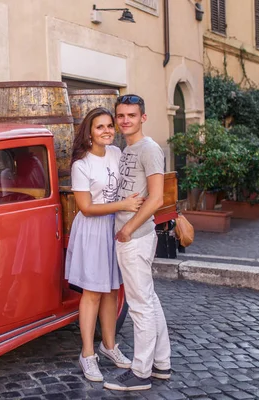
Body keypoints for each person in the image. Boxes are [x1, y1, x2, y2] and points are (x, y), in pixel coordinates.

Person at [65, 107, 144, 383]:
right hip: (93, 230)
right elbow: (85, 207)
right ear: (89, 132)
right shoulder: (81, 164)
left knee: (112, 289)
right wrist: (123, 205)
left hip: (114, 226)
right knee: (93, 292)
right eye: (100, 127)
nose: (108, 131)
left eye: (110, 126)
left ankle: (108, 346)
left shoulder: (116, 154)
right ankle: (87, 354)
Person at [103, 94, 171, 392]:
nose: (125, 120)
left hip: (136, 237)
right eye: (121, 115)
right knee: (150, 300)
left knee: (140, 305)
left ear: (143, 117)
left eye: (131, 115)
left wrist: (128, 229)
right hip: (130, 234)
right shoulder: (124, 149)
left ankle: (141, 373)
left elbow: (157, 197)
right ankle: (161, 363)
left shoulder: (149, 149)